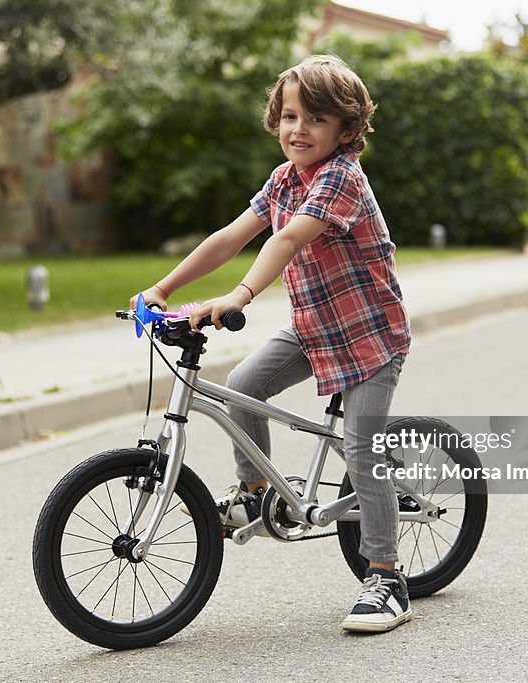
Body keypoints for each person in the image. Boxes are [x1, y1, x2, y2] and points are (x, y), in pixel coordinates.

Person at [130, 55, 412, 633]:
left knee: (361, 452)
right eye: (289, 116)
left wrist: (239, 296)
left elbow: (286, 240)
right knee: (243, 385)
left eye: (314, 119)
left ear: (345, 129)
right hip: (313, 327)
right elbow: (233, 236)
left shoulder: (342, 179)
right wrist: (161, 288)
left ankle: (386, 577)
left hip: (368, 336)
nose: (297, 130)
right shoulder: (284, 180)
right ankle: (257, 493)